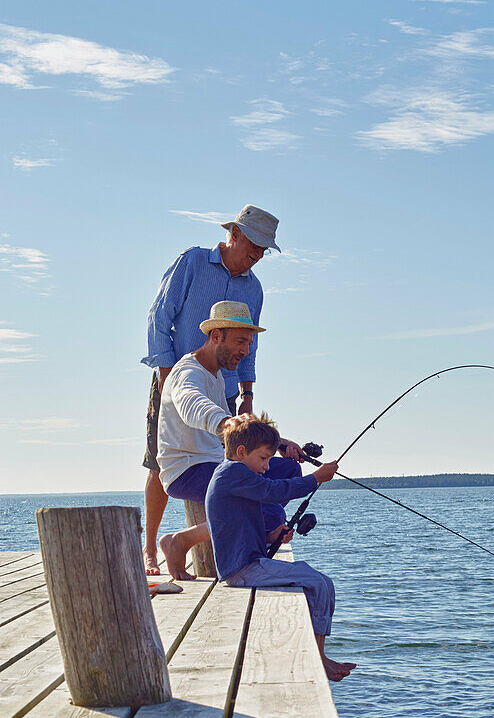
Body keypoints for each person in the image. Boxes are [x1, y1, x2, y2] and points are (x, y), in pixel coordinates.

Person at [141, 204, 281, 575]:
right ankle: (151, 550)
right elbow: (160, 317)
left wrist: (248, 396)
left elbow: (248, 347)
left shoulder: (254, 288)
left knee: (234, 466)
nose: (257, 256)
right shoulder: (192, 262)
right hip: (177, 377)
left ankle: (208, 546)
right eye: (254, 246)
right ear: (233, 234)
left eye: (263, 251)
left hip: (226, 385)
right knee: (159, 462)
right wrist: (168, 374)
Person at [156, 300, 302, 579]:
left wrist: (279, 444)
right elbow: (193, 405)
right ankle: (180, 541)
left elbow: (239, 433)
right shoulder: (187, 373)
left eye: (248, 343)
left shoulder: (216, 375)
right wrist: (226, 422)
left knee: (289, 471)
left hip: (215, 463)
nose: (245, 351)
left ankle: (256, 527)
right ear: (216, 336)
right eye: (239, 342)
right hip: (187, 470)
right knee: (268, 512)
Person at [206, 415, 356, 683]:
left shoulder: (237, 475)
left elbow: (240, 527)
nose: (266, 466)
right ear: (241, 452)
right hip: (241, 570)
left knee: (323, 582)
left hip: (248, 563)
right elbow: (274, 491)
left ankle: (318, 654)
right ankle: (317, 659)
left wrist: (271, 535)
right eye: (263, 458)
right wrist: (316, 479)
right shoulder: (232, 472)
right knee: (317, 583)